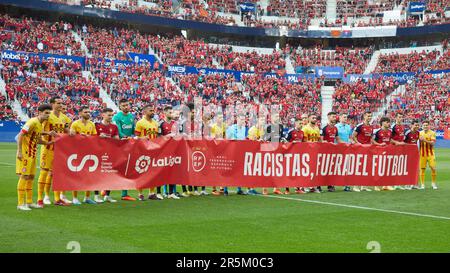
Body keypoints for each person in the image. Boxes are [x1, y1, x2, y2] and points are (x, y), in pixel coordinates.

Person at [16, 104, 55, 211]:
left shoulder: (40, 124)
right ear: (39, 112)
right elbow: (20, 135)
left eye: (49, 113)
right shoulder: (32, 122)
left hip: (32, 154)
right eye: (46, 113)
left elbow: (37, 139)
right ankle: (20, 204)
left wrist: (48, 141)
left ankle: (29, 202)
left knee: (31, 177)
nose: (48, 115)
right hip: (25, 153)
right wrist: (19, 151)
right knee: (24, 176)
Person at [37, 96, 72, 207]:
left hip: (59, 149)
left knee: (57, 174)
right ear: (52, 104)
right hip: (48, 148)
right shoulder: (47, 116)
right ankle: (40, 199)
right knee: (44, 172)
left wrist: (70, 132)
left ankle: (57, 199)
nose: (61, 105)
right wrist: (47, 134)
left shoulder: (65, 118)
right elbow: (38, 130)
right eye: (58, 103)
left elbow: (66, 130)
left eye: (61, 103)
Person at [69, 106, 98, 205]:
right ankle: (75, 198)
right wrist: (78, 136)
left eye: (89, 112)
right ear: (80, 113)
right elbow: (71, 137)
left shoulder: (91, 124)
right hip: (77, 152)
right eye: (86, 112)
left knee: (89, 175)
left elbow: (95, 137)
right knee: (77, 175)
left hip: (89, 152)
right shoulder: (75, 124)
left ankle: (87, 197)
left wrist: (88, 137)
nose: (88, 113)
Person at [134, 104, 162, 200]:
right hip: (143, 149)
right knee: (142, 170)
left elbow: (157, 136)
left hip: (153, 149)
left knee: (152, 171)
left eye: (153, 110)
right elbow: (136, 137)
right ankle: (140, 194)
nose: (153, 112)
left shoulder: (155, 123)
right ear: (145, 112)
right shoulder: (140, 123)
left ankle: (151, 193)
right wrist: (143, 138)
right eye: (150, 110)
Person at [112, 99, 136, 201]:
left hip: (129, 145)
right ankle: (106, 188)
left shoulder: (131, 117)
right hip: (119, 145)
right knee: (115, 168)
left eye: (127, 105)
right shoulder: (116, 117)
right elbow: (117, 130)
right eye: (123, 105)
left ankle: (124, 193)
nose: (126, 107)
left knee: (127, 169)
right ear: (120, 107)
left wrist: (133, 137)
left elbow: (134, 130)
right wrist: (125, 137)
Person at [94, 108, 119, 203]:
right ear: (103, 115)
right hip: (98, 153)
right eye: (109, 115)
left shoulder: (114, 127)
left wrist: (112, 138)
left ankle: (107, 195)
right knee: (97, 174)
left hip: (110, 152)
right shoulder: (96, 125)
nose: (111, 117)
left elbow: (117, 138)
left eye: (112, 115)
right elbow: (92, 138)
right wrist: (99, 137)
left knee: (110, 173)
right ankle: (96, 195)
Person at [158, 105, 180, 199]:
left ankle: (171, 193)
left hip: (173, 150)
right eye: (170, 112)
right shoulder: (161, 124)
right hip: (163, 150)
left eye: (172, 112)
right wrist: (167, 136)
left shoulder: (175, 124)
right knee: (160, 171)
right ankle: (159, 192)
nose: (172, 114)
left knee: (172, 171)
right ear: (165, 113)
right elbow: (158, 138)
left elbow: (178, 136)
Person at [320, 112, 343, 192]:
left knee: (331, 168)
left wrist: (346, 144)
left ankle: (330, 185)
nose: (334, 118)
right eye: (333, 116)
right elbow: (321, 140)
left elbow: (338, 139)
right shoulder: (323, 128)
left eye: (335, 117)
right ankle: (318, 185)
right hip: (324, 151)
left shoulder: (335, 128)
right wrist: (326, 143)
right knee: (322, 168)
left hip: (332, 152)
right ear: (328, 117)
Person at [351, 111, 373, 192]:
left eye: (370, 116)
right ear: (364, 116)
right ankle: (355, 186)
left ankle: (364, 186)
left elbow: (370, 138)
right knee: (358, 167)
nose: (369, 117)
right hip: (359, 149)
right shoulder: (360, 126)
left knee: (366, 167)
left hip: (367, 149)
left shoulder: (371, 126)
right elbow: (353, 136)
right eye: (368, 116)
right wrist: (359, 144)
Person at [372, 116, 394, 191]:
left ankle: (386, 185)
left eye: (389, 122)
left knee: (387, 168)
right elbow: (372, 141)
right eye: (387, 122)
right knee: (378, 168)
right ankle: (376, 185)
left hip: (388, 152)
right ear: (383, 122)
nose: (389, 124)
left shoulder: (390, 131)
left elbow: (390, 140)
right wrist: (379, 144)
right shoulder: (377, 131)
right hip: (379, 152)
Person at [302, 114, 322, 193]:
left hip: (315, 151)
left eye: (315, 118)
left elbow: (319, 138)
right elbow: (304, 140)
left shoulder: (317, 128)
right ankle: (305, 185)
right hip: (307, 151)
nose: (314, 119)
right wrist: (312, 143)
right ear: (309, 118)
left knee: (314, 169)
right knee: (307, 169)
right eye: (313, 118)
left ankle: (313, 186)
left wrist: (321, 143)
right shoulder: (305, 128)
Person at [286, 116, 305, 194]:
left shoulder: (302, 133)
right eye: (300, 123)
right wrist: (291, 143)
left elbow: (303, 143)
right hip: (290, 154)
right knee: (289, 172)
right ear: (296, 123)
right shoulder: (291, 132)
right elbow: (285, 142)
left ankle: (297, 188)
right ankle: (287, 189)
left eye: (302, 123)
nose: (301, 125)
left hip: (298, 154)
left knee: (297, 172)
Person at [336, 113, 352, 192]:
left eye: (346, 117)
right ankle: (332, 184)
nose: (346, 118)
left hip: (346, 149)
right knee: (336, 167)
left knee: (347, 167)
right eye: (344, 117)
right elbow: (336, 139)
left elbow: (350, 137)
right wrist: (346, 143)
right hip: (337, 149)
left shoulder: (349, 127)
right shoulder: (336, 127)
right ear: (340, 118)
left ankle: (347, 185)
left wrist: (351, 142)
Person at [390, 112, 407, 190]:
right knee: (393, 166)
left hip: (401, 149)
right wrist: (397, 143)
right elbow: (389, 138)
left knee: (399, 165)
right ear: (396, 118)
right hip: (394, 148)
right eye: (399, 117)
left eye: (401, 117)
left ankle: (398, 183)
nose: (400, 118)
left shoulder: (403, 127)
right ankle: (392, 183)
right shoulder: (393, 127)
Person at [419, 121, 437, 190]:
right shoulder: (420, 133)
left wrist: (424, 140)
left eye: (426, 125)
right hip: (422, 154)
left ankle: (433, 183)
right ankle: (422, 184)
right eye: (424, 125)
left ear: (429, 126)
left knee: (433, 168)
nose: (425, 126)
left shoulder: (432, 133)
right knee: (422, 169)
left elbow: (433, 143)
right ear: (422, 126)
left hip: (430, 153)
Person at [404, 119, 421, 190]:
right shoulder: (407, 132)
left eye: (418, 125)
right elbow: (403, 142)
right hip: (407, 153)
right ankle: (407, 184)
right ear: (411, 125)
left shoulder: (418, 133)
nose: (417, 126)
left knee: (416, 168)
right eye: (415, 125)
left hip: (414, 153)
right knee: (408, 168)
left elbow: (417, 142)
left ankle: (415, 184)